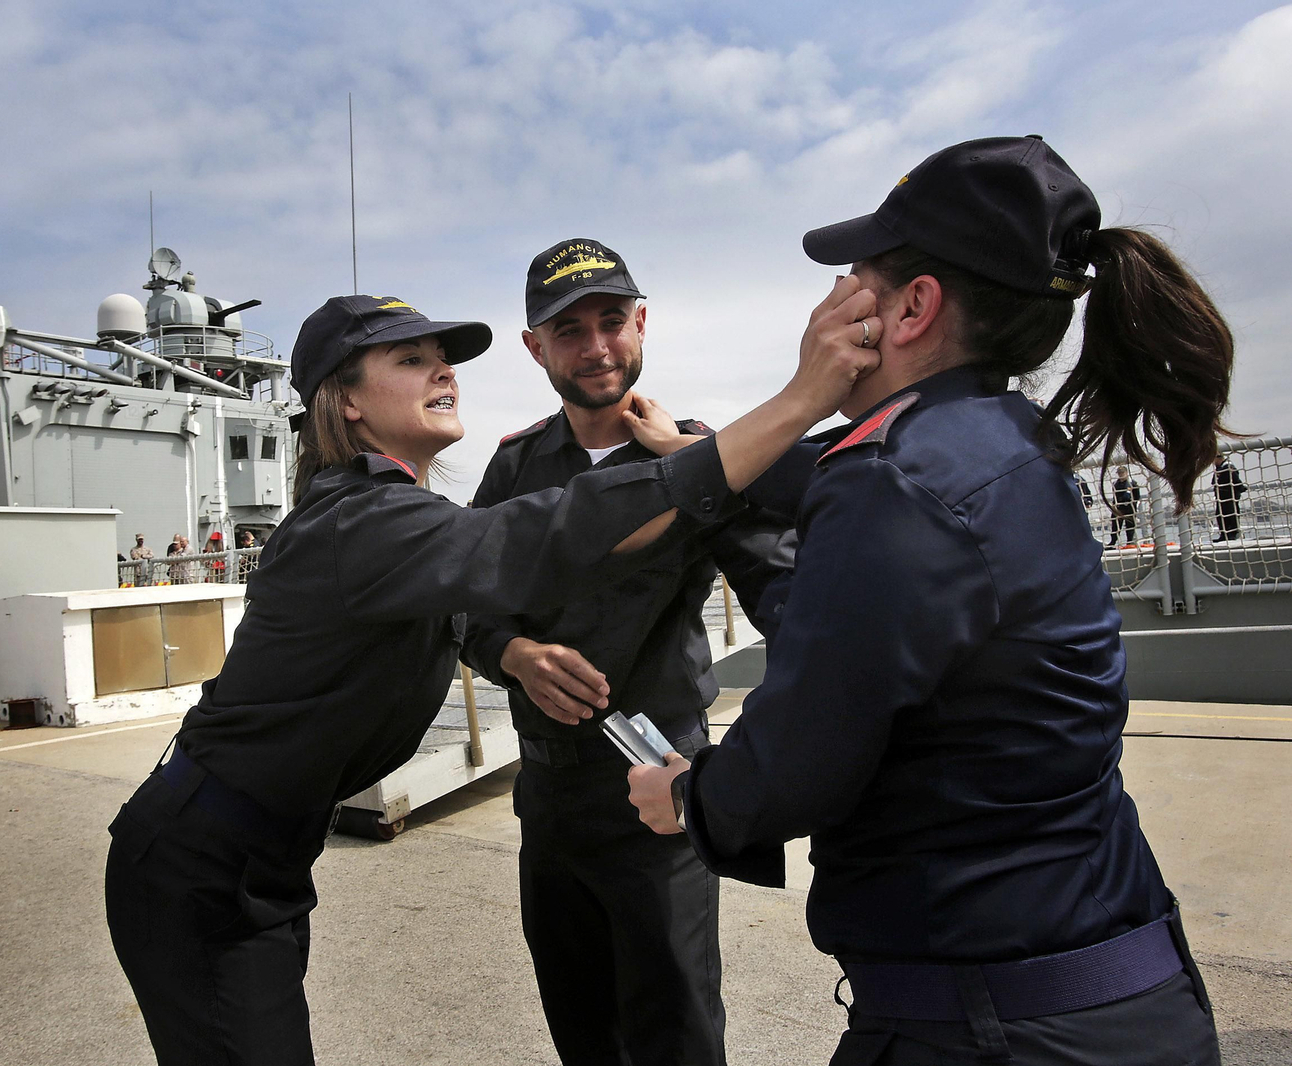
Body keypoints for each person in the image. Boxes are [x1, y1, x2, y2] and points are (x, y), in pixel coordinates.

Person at [104, 291, 878, 1065]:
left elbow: (505, 577)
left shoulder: (391, 509)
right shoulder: (361, 521)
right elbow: (535, 535)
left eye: (442, 357)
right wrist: (801, 400)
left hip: (258, 852)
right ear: (345, 400)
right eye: (410, 359)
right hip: (206, 856)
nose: (443, 369)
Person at [628, 135, 1230, 1066]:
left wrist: (686, 794)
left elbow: (792, 764)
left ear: (910, 308)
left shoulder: (896, 484)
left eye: (852, 280)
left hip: (992, 1027)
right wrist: (699, 448)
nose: (829, 301)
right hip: (1109, 994)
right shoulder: (997, 440)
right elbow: (832, 474)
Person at [462, 237, 799, 1065]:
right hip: (548, 797)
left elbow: (791, 595)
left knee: (676, 1034)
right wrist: (512, 654)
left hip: (661, 796)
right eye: (569, 330)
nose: (597, 346)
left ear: (641, 324)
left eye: (612, 321)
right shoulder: (514, 467)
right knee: (583, 1032)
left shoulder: (699, 455)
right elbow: (457, 604)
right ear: (536, 348)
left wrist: (689, 464)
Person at [1212, 454, 1244, 541]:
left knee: (1231, 514)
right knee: (1220, 515)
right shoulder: (1220, 468)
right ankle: (1224, 534)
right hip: (1222, 496)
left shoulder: (1228, 467)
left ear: (1219, 458)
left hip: (1229, 496)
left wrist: (1241, 488)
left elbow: (1235, 480)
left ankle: (1232, 534)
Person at [1109, 464, 1140, 547]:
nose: (1121, 474)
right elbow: (1114, 495)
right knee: (1115, 526)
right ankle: (1113, 542)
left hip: (1129, 507)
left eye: (1122, 472)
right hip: (1119, 507)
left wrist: (1133, 504)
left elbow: (1137, 496)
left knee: (1129, 526)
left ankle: (1129, 542)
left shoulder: (1132, 483)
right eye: (1119, 473)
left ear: (1126, 472)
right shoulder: (1115, 483)